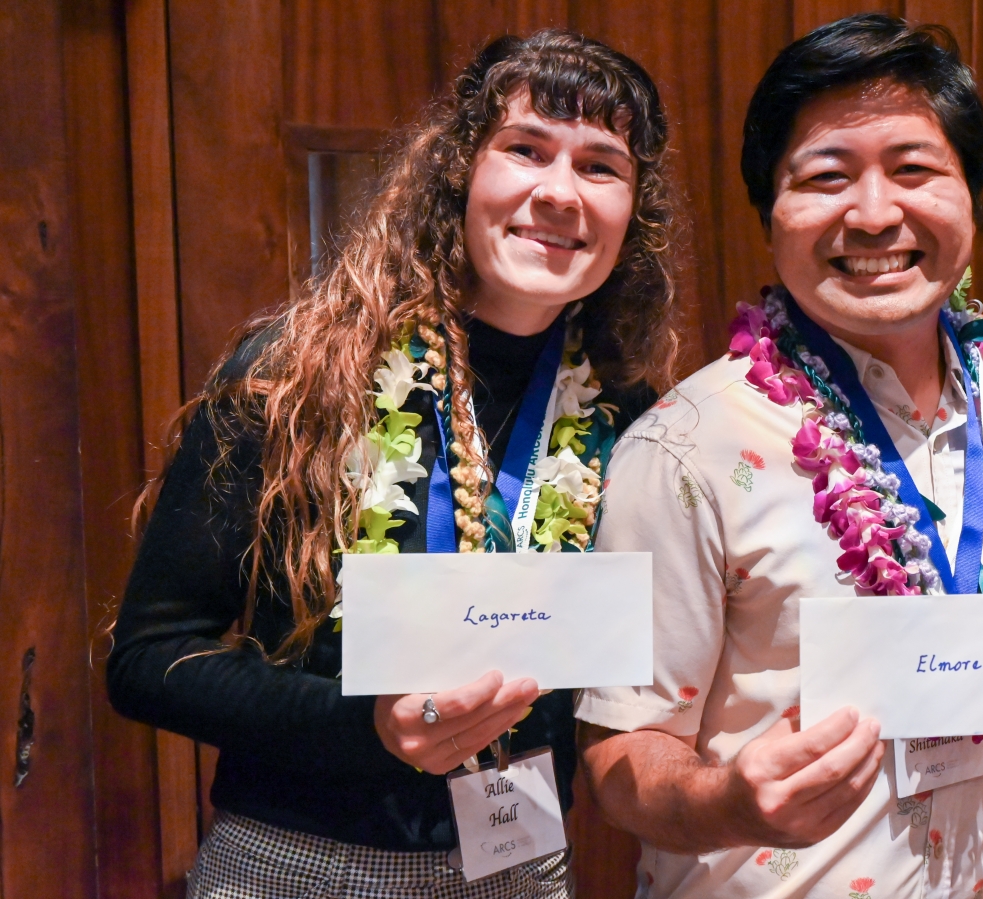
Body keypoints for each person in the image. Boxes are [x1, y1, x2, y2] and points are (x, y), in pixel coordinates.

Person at [107, 30, 680, 898]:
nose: (559, 192)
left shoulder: (627, 413)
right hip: (295, 869)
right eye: (525, 149)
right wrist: (363, 728)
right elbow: (148, 660)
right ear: (460, 171)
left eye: (601, 166)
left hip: (521, 865)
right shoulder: (292, 376)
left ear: (632, 211)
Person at [576, 14, 983, 898]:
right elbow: (618, 750)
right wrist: (728, 800)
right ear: (770, 214)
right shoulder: (685, 445)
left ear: (974, 199)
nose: (874, 215)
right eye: (826, 177)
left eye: (915, 170)